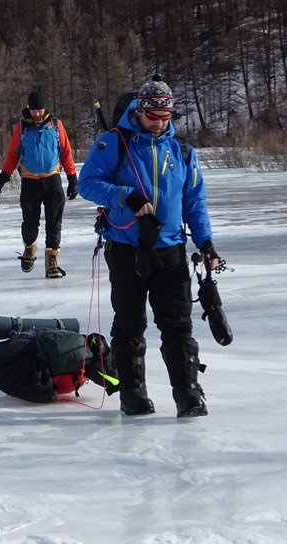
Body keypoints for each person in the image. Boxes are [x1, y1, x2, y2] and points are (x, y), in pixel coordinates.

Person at [77, 77, 220, 418]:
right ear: (139, 111)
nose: (159, 122)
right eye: (153, 115)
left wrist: (207, 242)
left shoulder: (183, 151)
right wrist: (125, 196)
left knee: (177, 324)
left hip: (170, 248)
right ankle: (133, 393)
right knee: (129, 323)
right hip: (126, 247)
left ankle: (188, 393)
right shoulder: (114, 142)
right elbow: (88, 184)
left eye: (166, 116)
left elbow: (195, 203)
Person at [0, 89, 78, 278]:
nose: (37, 114)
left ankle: (51, 263)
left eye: (40, 110)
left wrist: (72, 179)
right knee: (30, 225)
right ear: (29, 109)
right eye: (34, 110)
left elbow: (66, 153)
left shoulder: (56, 126)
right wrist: (3, 176)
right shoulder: (21, 128)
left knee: (54, 223)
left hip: (52, 180)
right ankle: (30, 247)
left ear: (44, 108)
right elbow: (13, 155)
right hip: (30, 181)